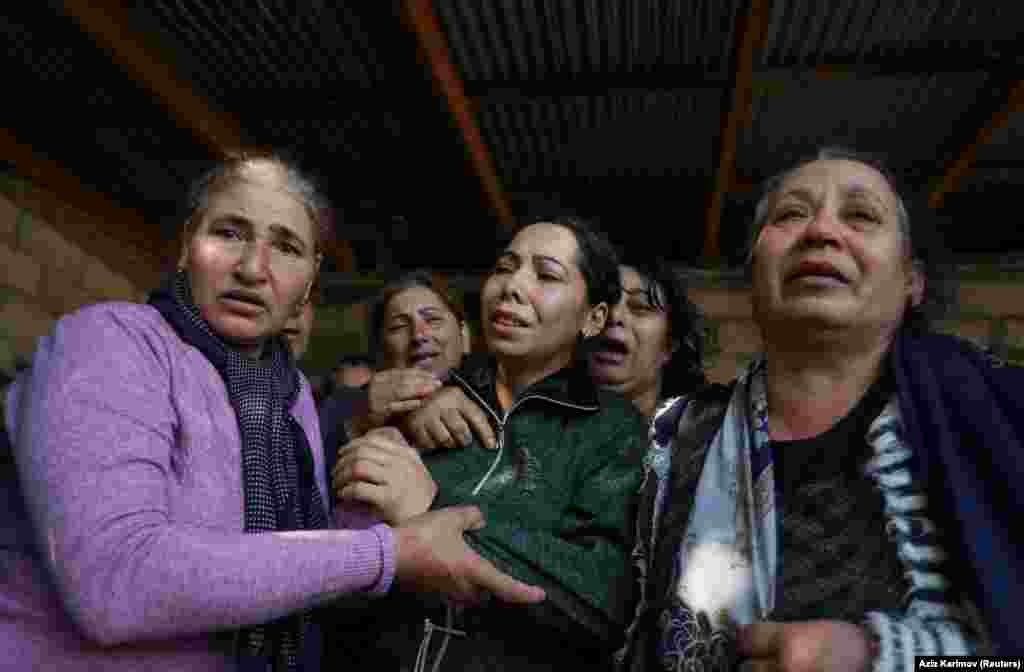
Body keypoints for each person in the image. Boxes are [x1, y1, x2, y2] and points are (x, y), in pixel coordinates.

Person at [1, 154, 543, 671]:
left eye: (285, 246)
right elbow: (113, 579)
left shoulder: (287, 396)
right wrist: (386, 552)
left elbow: (266, 561)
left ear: (310, 280)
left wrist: (361, 504)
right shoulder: (109, 344)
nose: (253, 268)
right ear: (188, 246)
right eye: (229, 233)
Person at [618, 147, 1022, 672]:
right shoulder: (674, 438)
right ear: (754, 269)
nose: (821, 232)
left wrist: (882, 658)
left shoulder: (1000, 420)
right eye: (791, 214)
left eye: (861, 216)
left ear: (911, 281)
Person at [331, 216, 650, 670]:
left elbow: (602, 601)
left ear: (593, 318)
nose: (512, 286)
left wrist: (431, 506)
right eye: (505, 267)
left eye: (546, 274)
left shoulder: (613, 430)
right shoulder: (424, 399)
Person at [588, 254, 705, 419]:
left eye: (639, 306)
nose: (613, 315)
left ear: (670, 344)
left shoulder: (702, 436)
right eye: (603, 303)